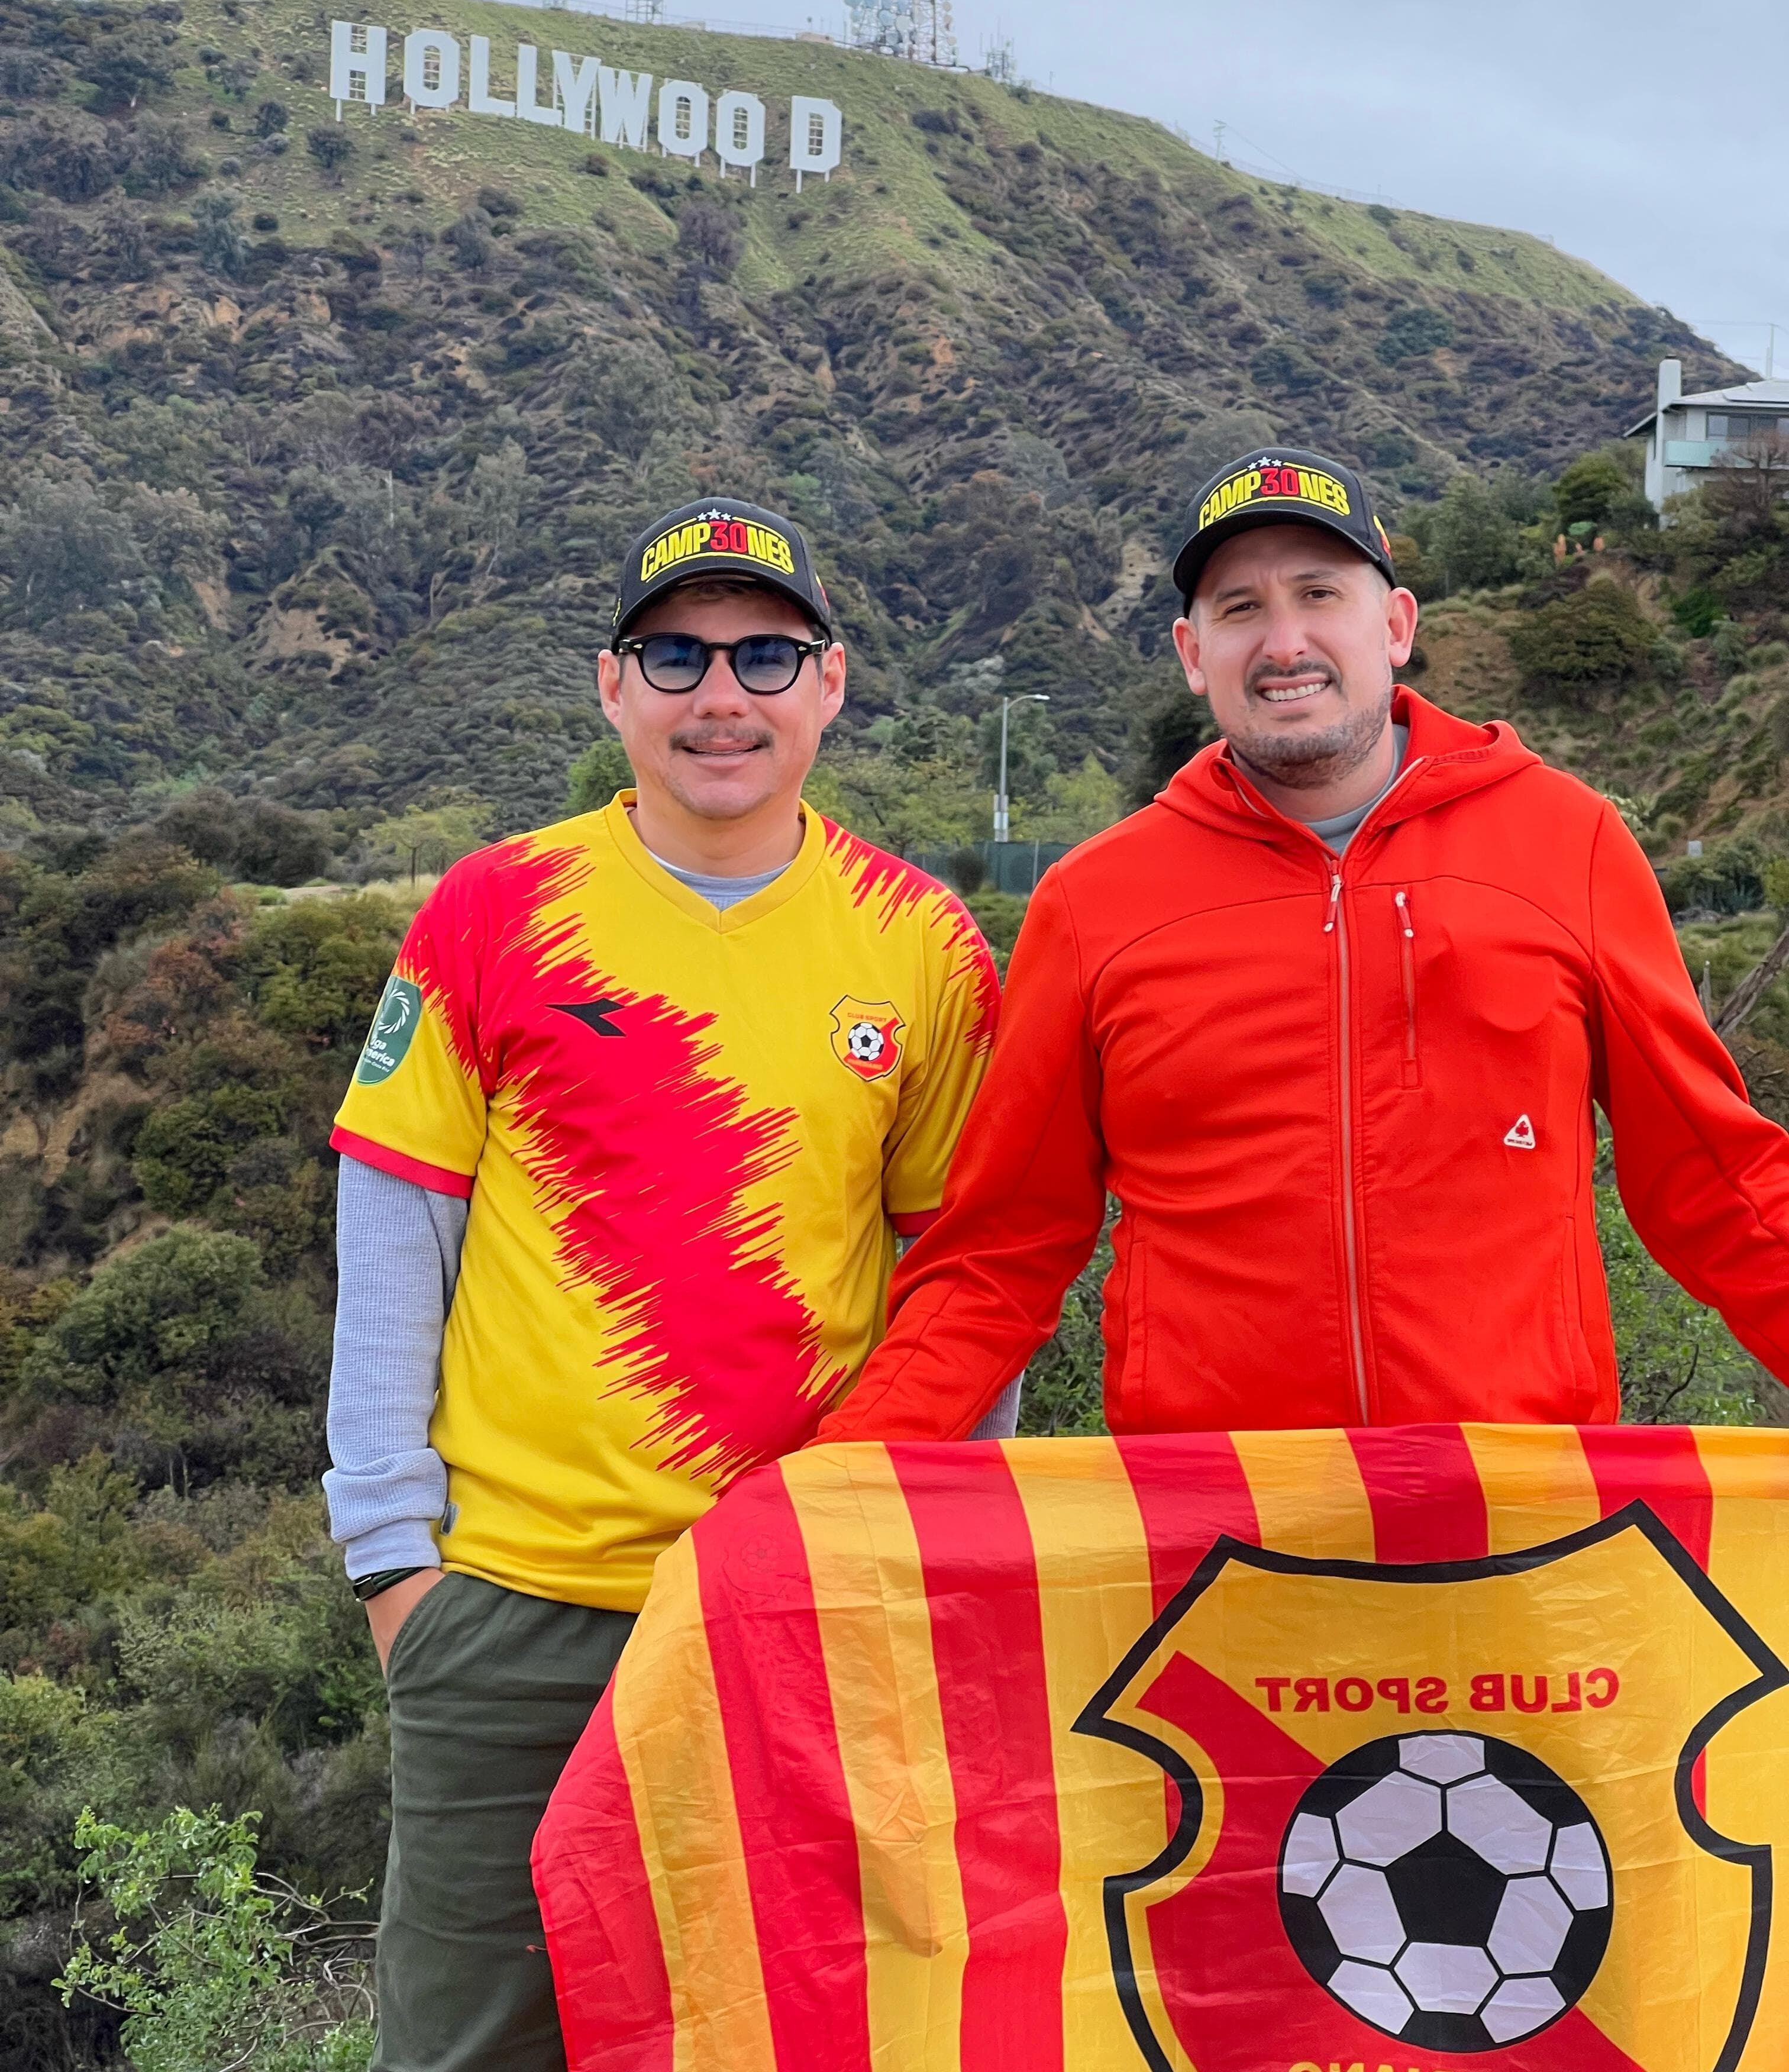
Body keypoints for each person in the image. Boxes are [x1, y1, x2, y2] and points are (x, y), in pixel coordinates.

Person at [324, 496, 1003, 2072]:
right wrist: (392, 1568)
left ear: (830, 684)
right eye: (678, 655)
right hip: (510, 1609)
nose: (723, 695)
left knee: (782, 2034)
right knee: (471, 2045)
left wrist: (932, 1554)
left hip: (798, 1606)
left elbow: (966, 1279)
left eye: (767, 654)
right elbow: (390, 1233)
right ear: (612, 689)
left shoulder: (920, 941)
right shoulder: (493, 911)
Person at [816, 446, 1789, 1448]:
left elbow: (1719, 1189)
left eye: (1320, 593)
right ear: (1194, 653)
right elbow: (999, 1256)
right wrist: (835, 1483)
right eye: (1240, 609)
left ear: (1396, 626)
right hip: (1212, 1550)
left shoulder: (1566, 843)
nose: (1285, 642)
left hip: (1519, 1534)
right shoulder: (1093, 903)